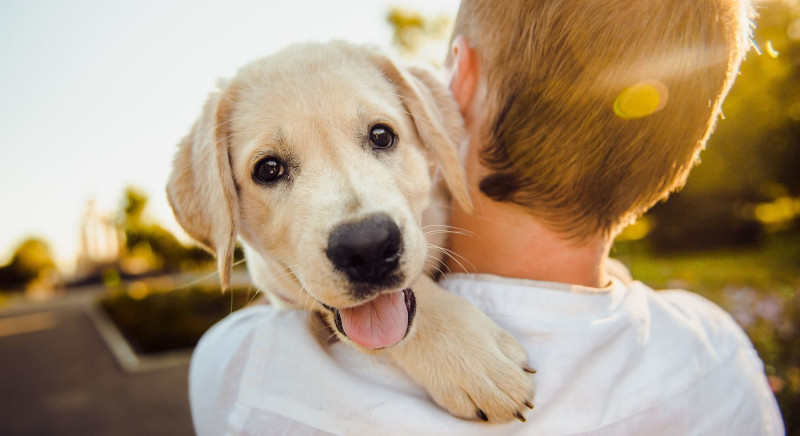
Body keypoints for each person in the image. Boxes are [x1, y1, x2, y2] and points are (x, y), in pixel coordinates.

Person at [189, 0, 785, 434]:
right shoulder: (721, 357)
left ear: (455, 89)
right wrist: (425, 325)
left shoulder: (243, 375)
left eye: (379, 135)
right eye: (271, 170)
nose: (361, 225)